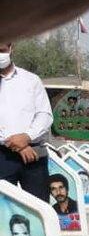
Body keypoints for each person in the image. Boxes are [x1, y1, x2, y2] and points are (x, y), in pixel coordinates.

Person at [0, 41, 53, 203]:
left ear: (11, 48)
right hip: (2, 156)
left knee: (39, 207)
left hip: (33, 154)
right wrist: (19, 145)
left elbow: (45, 114)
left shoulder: (31, 80)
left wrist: (27, 137)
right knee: (3, 209)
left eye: (2, 50)